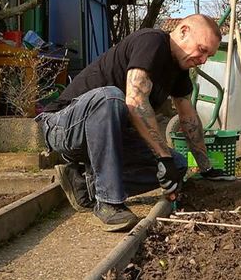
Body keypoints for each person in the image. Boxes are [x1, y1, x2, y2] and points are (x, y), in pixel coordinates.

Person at [36, 14, 230, 232]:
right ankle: (109, 202)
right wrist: (162, 156)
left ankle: (84, 183)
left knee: (178, 165)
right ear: (184, 31)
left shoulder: (179, 69)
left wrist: (206, 167)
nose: (203, 60)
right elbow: (135, 100)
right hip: (63, 125)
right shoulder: (152, 41)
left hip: (110, 137)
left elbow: (188, 116)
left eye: (208, 56)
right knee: (110, 98)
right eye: (202, 49)